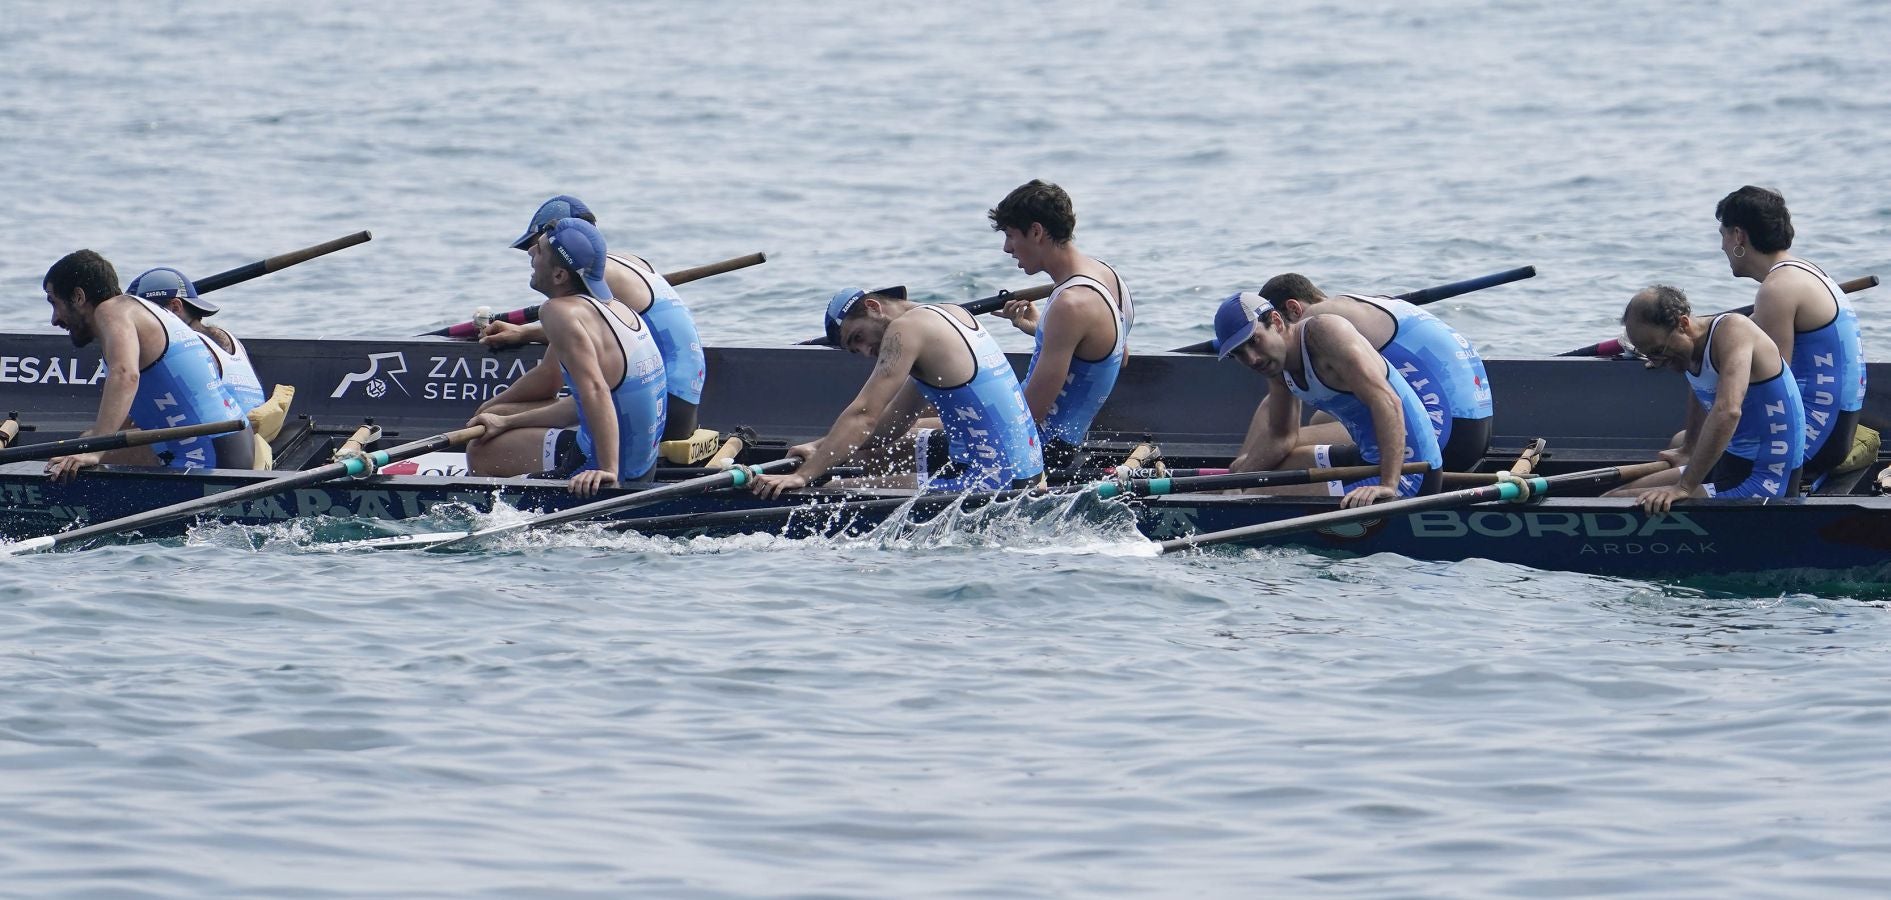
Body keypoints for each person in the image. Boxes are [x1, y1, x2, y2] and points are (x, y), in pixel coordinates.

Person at [750, 287, 1045, 499]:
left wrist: (803, 475)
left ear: (873, 306)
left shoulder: (904, 331)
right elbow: (893, 424)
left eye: (859, 337)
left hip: (991, 483)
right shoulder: (948, 313)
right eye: (856, 350)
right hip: (1030, 474)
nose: (866, 352)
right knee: (868, 456)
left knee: (828, 490)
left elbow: (864, 415)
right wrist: (820, 447)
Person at [465, 219, 667, 497]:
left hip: (603, 470)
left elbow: (594, 390)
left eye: (540, 250)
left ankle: (490, 511)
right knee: (498, 417)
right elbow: (588, 402)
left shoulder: (558, 311)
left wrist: (607, 470)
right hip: (641, 465)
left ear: (560, 275)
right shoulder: (619, 309)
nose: (531, 252)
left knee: (480, 450)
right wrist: (506, 422)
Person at [481, 195, 707, 443]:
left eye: (541, 244)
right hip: (682, 404)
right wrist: (526, 333)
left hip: (659, 413)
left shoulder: (584, 288)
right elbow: (604, 333)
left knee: (496, 414)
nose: (532, 253)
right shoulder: (627, 262)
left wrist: (483, 411)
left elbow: (549, 379)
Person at [1211, 291, 1443, 507]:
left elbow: (1387, 401)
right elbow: (1281, 437)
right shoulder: (1277, 365)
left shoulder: (1324, 334)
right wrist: (1238, 480)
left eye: (1254, 341)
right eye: (1239, 353)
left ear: (1277, 321)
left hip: (1409, 472)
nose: (1252, 359)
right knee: (1242, 468)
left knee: (1257, 496)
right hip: (1366, 458)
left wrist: (1387, 485)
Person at [41, 250, 252, 481]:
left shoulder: (111, 311)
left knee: (74, 466)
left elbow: (125, 376)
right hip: (231, 444)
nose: (54, 319)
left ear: (79, 297)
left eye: (55, 303)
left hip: (210, 460)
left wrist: (94, 451)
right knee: (79, 448)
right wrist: (88, 442)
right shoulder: (137, 310)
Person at [1255, 273, 1493, 471]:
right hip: (1477, 431)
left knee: (1288, 448)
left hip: (1445, 438)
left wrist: (1248, 464)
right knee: (1320, 418)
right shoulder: (1369, 303)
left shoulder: (1320, 320)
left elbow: (1279, 428)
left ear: (1293, 310)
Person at [1715, 186, 1864, 490]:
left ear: (1739, 236)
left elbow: (1769, 387)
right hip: (1837, 431)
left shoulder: (1777, 290)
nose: (1722, 246)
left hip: (1814, 439)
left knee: (1697, 444)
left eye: (1723, 234)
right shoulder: (1805, 271)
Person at [1607, 285, 1805, 513]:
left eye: (1659, 350)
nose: (1658, 362)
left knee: (1618, 507)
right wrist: (1689, 447)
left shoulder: (1734, 331)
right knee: (1610, 497)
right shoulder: (1693, 347)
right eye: (1649, 354)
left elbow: (1728, 411)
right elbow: (1703, 387)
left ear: (1683, 324)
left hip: (1766, 479)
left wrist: (1683, 487)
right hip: (1728, 462)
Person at [988, 179, 1132, 468]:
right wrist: (1039, 328)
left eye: (1010, 235)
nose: (1006, 248)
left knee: (910, 434)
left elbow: (1030, 415)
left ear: (1037, 232)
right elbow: (1119, 357)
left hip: (1039, 448)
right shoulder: (1108, 276)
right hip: (1062, 442)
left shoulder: (1070, 305)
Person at [126, 266, 292, 469]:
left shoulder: (187, 347)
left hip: (224, 448)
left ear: (176, 307)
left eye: (143, 315)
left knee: (96, 444)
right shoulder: (227, 337)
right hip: (253, 442)